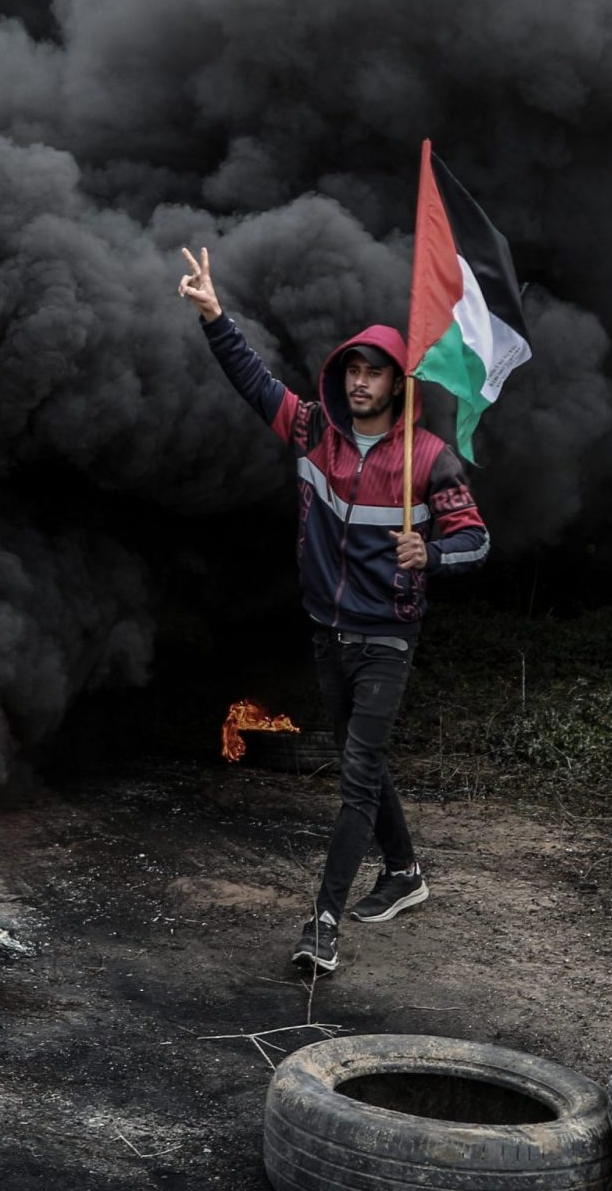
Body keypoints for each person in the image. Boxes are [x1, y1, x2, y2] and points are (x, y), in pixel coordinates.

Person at [178, 245, 489, 976]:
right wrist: (216, 317)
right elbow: (256, 385)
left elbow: (477, 542)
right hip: (329, 631)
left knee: (355, 777)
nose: (358, 381)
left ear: (396, 383)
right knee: (362, 756)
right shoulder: (313, 429)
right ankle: (406, 871)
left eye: (373, 371)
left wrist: (434, 557)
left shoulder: (429, 458)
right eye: (351, 368)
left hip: (387, 638)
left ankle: (321, 923)